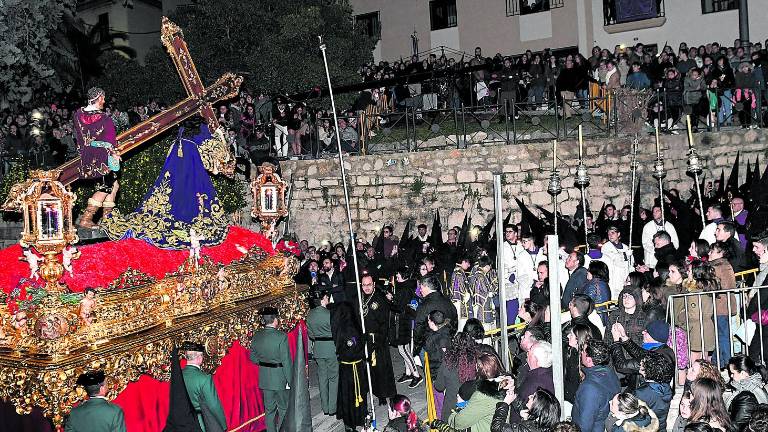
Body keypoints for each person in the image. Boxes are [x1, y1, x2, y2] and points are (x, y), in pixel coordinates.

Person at [73, 87, 121, 229]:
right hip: (104, 155)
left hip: (88, 154)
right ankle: (86, 218)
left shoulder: (78, 115)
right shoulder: (104, 119)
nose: (104, 101)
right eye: (103, 98)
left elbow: (82, 138)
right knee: (106, 186)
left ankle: (108, 220)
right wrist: (114, 153)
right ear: (99, 98)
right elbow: (111, 140)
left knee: (114, 185)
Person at [434, 318, 496, 421]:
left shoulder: (449, 361)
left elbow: (439, 386)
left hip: (452, 413)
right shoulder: (482, 357)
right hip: (477, 411)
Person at [431, 353, 505, 432]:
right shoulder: (506, 384)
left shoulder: (483, 395)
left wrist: (458, 408)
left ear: (478, 370)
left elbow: (458, 423)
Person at [249, 307, 292, 432]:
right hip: (280, 378)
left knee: (269, 410)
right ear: (275, 320)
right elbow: (286, 361)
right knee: (283, 408)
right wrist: (291, 380)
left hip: (265, 379)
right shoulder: (281, 337)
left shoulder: (257, 335)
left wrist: (264, 363)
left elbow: (252, 357)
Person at [356, 274, 396, 405]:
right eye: (364, 285)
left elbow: (384, 323)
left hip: (378, 340)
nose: (366, 288)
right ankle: (370, 390)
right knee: (367, 369)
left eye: (369, 285)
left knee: (381, 369)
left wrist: (379, 339)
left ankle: (383, 394)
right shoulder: (358, 298)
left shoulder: (380, 299)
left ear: (373, 284)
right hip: (364, 339)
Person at [332, 302, 369, 432]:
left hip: (346, 368)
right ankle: (355, 419)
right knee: (354, 394)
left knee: (348, 395)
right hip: (353, 368)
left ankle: (351, 421)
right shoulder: (350, 330)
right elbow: (353, 350)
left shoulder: (339, 328)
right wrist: (363, 340)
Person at [572, 339, 620, 432]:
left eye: (583, 351)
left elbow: (584, 426)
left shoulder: (589, 389)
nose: (581, 353)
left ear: (589, 360)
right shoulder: (610, 373)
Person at [180, 341, 227, 432]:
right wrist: (223, 424)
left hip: (185, 422)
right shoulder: (204, 379)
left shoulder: (179, 375)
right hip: (203, 423)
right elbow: (214, 405)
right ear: (199, 357)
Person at [306, 290, 338, 416]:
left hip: (318, 349)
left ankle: (325, 408)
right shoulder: (330, 314)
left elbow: (311, 335)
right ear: (324, 298)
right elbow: (336, 332)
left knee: (322, 378)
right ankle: (332, 407)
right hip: (331, 348)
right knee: (334, 378)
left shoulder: (310, 315)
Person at [388, 267, 422, 388]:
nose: (396, 278)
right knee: (405, 348)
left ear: (403, 276)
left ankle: (416, 375)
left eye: (397, 276)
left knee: (403, 350)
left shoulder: (405, 289)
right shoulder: (406, 287)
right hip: (404, 321)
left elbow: (399, 307)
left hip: (403, 322)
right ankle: (408, 373)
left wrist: (390, 299)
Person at [413, 275, 458, 361]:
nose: (420, 290)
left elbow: (419, 326)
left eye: (421, 287)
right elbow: (455, 321)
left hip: (430, 346)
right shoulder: (448, 302)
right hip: (447, 343)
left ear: (426, 287)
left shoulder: (424, 305)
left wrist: (417, 345)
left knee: (431, 372)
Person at [723, 355, 768, 432]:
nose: (731, 375)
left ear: (743, 374)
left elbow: (738, 425)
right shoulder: (757, 385)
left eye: (733, 373)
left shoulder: (746, 396)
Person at [633, 352, 674, 430]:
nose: (640, 364)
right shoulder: (665, 386)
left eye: (642, 364)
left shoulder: (642, 392)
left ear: (648, 369)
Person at [490, 388, 561, 432]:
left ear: (538, 407)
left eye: (533, 397)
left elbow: (496, 427)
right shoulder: (541, 424)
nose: (529, 396)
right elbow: (523, 409)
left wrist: (505, 403)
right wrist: (514, 397)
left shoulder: (527, 429)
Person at [601, 226, 634, 300]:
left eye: (613, 233)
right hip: (614, 276)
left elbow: (630, 263)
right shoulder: (606, 247)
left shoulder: (625, 247)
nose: (610, 236)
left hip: (625, 275)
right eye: (609, 234)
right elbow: (615, 259)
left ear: (618, 234)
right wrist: (625, 254)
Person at [577, 260, 611, 325]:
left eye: (589, 270)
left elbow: (585, 305)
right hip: (603, 318)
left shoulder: (592, 285)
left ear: (594, 272)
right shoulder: (604, 284)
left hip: (593, 320)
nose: (587, 272)